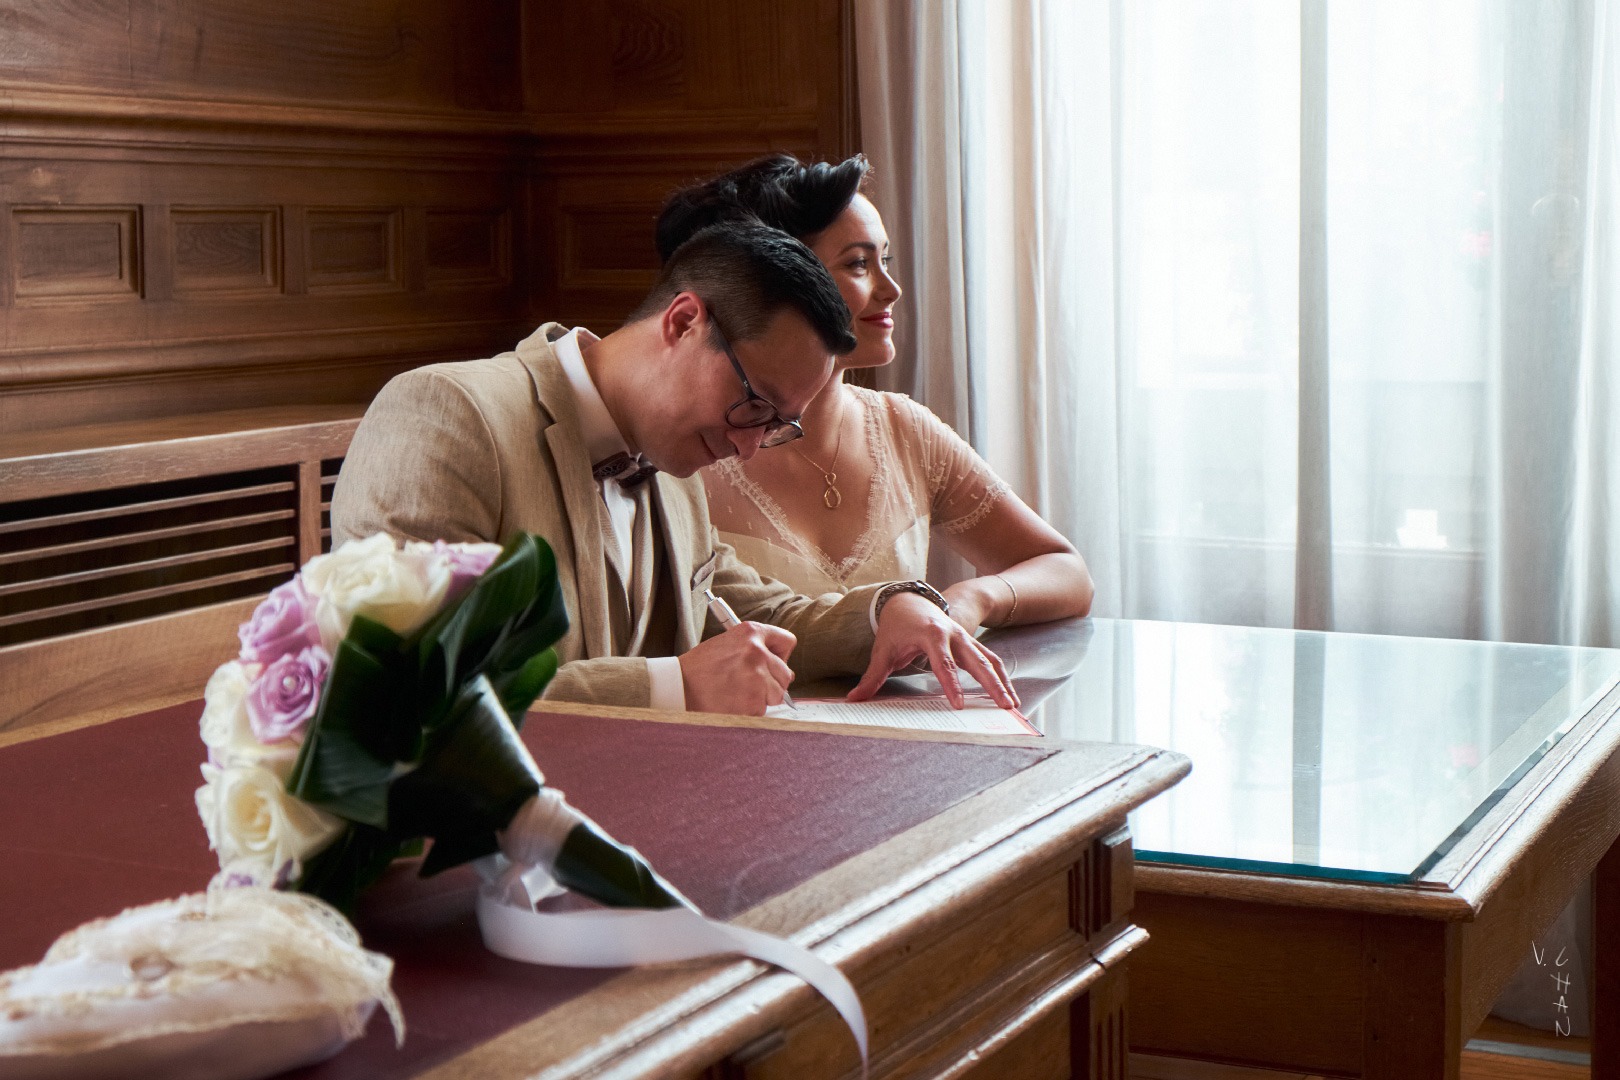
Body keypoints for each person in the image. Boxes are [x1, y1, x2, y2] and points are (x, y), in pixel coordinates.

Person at [331, 220, 1016, 716]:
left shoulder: (673, 456)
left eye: (779, 425)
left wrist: (883, 613)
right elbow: (410, 684)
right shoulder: (448, 413)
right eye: (753, 405)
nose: (750, 447)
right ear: (685, 322)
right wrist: (674, 687)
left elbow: (748, 608)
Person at [657, 155, 1094, 649]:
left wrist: (972, 599)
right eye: (859, 264)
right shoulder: (693, 450)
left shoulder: (904, 429)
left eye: (884, 260)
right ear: (772, 283)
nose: (891, 289)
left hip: (898, 723)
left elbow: (1068, 572)